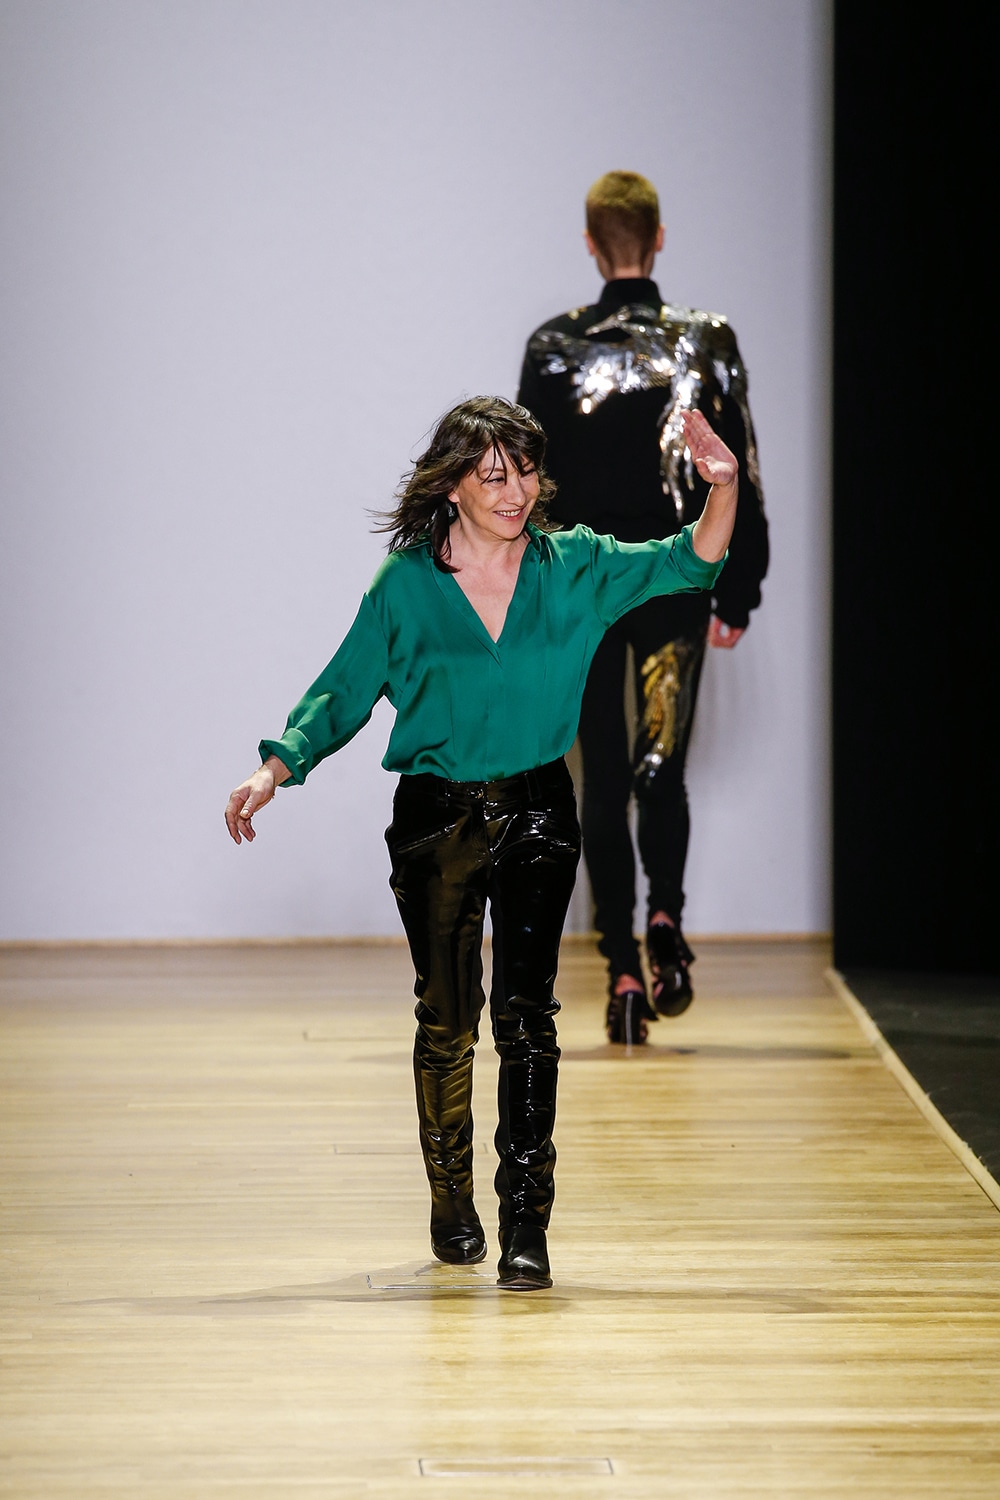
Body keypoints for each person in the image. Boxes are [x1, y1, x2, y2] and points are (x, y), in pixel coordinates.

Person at [225, 396, 738, 1290]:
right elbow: (344, 688)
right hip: (436, 819)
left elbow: (687, 562)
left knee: (529, 1017)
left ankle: (526, 1224)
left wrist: (722, 487)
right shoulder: (405, 584)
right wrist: (276, 767)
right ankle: (451, 1197)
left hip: (539, 810)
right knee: (448, 1017)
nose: (515, 491)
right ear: (452, 485)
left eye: (525, 471)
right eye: (493, 475)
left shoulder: (574, 565)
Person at [516, 170, 769, 1046]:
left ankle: (622, 973)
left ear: (592, 244)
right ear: (658, 238)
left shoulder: (552, 348)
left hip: (584, 591)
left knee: (604, 781)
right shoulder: (707, 338)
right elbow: (737, 465)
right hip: (672, 581)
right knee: (663, 766)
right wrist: (740, 585)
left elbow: (525, 484)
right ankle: (667, 923)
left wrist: (525, 596)